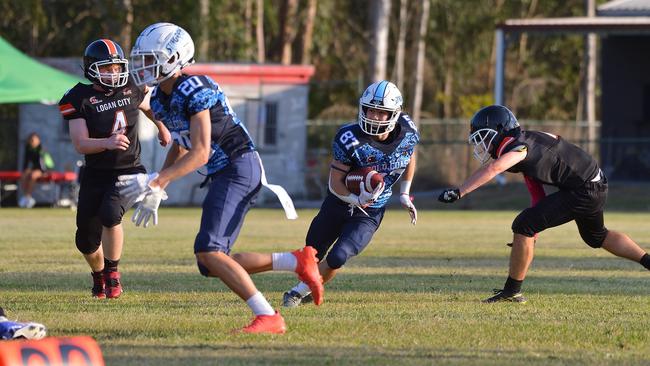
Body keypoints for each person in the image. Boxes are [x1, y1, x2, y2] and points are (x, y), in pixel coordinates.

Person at [119, 22, 323, 334]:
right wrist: (160, 185)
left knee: (209, 250)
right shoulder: (161, 98)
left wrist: (156, 182)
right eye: (142, 58)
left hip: (238, 166)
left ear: (175, 57)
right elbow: (180, 141)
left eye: (150, 58)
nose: (143, 65)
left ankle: (268, 316)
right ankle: (296, 260)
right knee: (210, 261)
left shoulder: (194, 87)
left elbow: (200, 152)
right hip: (228, 171)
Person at [438, 104, 650, 303]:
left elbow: (494, 169)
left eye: (484, 138)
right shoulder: (526, 140)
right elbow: (536, 192)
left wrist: (459, 191)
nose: (482, 145)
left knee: (524, 224)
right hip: (592, 183)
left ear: (499, 131)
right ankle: (647, 261)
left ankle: (512, 292)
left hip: (584, 189)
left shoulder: (519, 147)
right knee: (596, 236)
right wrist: (532, 234)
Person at [281, 80, 420, 308]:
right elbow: (335, 182)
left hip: (370, 212)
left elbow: (409, 155)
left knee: (338, 257)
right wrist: (356, 199)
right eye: (370, 110)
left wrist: (405, 192)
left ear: (394, 115)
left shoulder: (407, 132)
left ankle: (298, 293)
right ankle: (309, 283)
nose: (373, 116)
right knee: (311, 252)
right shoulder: (349, 137)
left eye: (381, 112)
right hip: (339, 202)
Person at [58, 38, 171, 299]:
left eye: (117, 67)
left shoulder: (133, 88)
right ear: (92, 69)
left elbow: (148, 107)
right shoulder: (78, 97)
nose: (114, 73)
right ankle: (98, 276)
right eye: (107, 68)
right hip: (96, 172)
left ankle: (113, 273)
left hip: (129, 169)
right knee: (85, 240)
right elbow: (80, 144)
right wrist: (106, 143)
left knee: (110, 214)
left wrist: (161, 126)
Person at [18, 132, 55, 208]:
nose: (32, 142)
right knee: (24, 175)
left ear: (38, 140)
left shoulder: (41, 149)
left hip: (43, 169)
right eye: (31, 140)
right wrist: (25, 170)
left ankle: (27, 197)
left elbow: (46, 163)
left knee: (33, 176)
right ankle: (26, 197)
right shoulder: (28, 148)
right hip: (34, 168)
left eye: (33, 140)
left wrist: (46, 172)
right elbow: (26, 161)